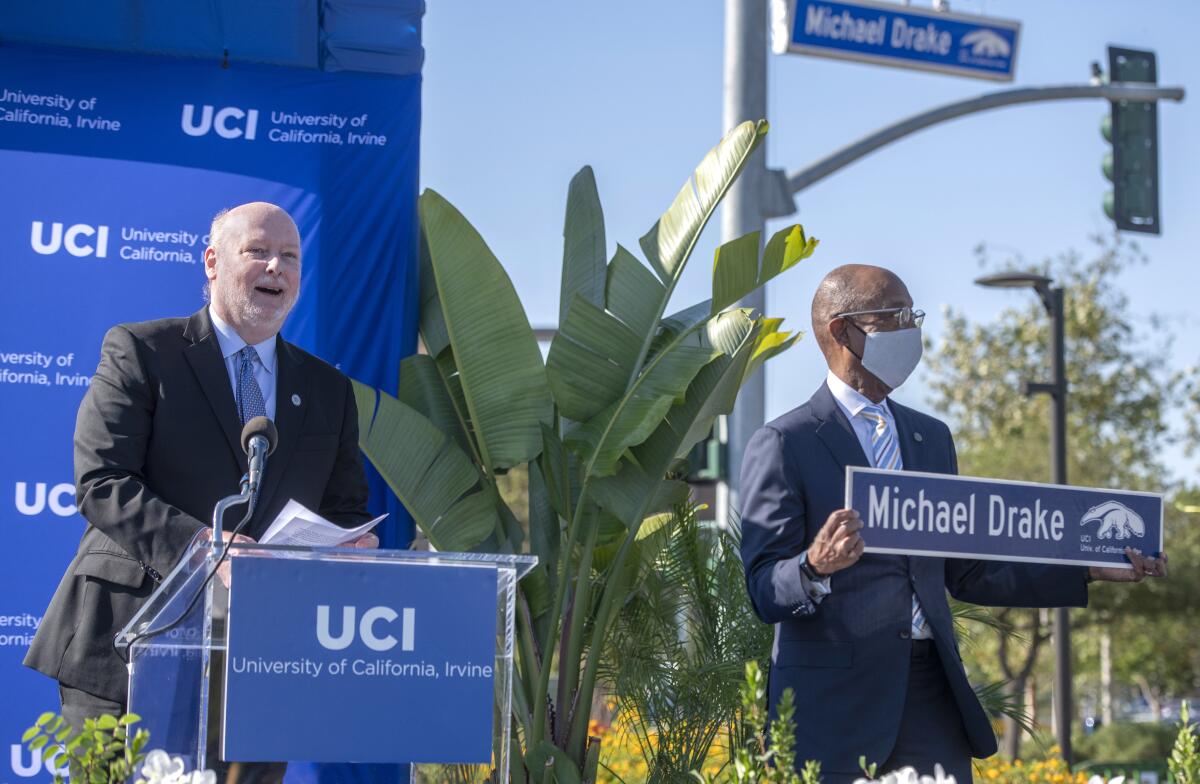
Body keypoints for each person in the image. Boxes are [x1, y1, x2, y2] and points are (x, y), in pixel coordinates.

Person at [738, 264, 1166, 783]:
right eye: (893, 316)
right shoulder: (787, 443)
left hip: (930, 694)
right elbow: (763, 586)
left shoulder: (930, 439)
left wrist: (1088, 569)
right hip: (835, 706)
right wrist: (814, 565)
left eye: (912, 315)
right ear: (842, 330)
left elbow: (968, 571)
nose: (910, 329)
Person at [25, 202, 377, 739]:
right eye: (257, 251)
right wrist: (204, 549)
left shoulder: (329, 389)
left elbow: (343, 507)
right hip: (126, 642)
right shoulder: (142, 351)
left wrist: (348, 546)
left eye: (289, 256)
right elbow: (102, 481)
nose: (275, 267)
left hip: (259, 663)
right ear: (212, 262)